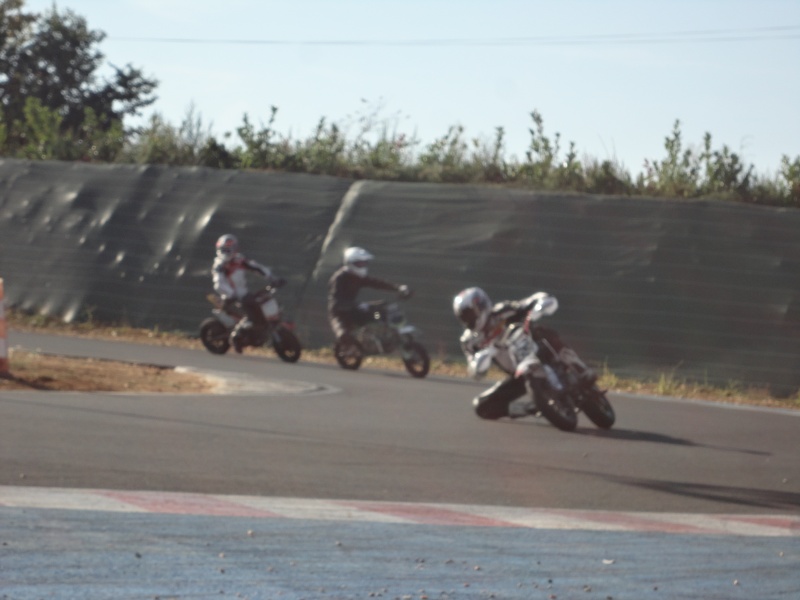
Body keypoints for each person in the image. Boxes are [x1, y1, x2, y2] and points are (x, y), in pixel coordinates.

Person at [452, 287, 596, 420]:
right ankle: (530, 408)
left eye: (469, 314)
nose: (468, 320)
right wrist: (480, 360)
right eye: (463, 317)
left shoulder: (502, 310)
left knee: (542, 331)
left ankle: (579, 367)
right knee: (481, 406)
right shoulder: (469, 341)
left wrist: (540, 304)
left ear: (481, 305)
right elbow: (474, 371)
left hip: (538, 352)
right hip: (518, 374)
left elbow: (528, 303)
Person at [212, 233, 285, 353]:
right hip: (230, 297)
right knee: (251, 313)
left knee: (261, 303)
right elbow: (218, 283)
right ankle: (236, 335)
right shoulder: (219, 265)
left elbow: (258, 268)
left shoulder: (240, 260)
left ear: (235, 249)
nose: (226, 252)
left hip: (245, 294)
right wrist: (232, 294)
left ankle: (255, 332)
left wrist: (273, 278)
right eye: (223, 249)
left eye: (228, 249)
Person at [327, 246, 411, 344]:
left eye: (364, 263)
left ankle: (384, 334)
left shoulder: (358, 277)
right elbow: (337, 303)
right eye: (359, 264)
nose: (362, 266)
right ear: (349, 263)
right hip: (340, 314)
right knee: (344, 335)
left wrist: (398, 288)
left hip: (355, 310)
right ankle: (360, 343)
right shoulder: (339, 279)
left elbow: (377, 283)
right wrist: (356, 305)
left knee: (379, 310)